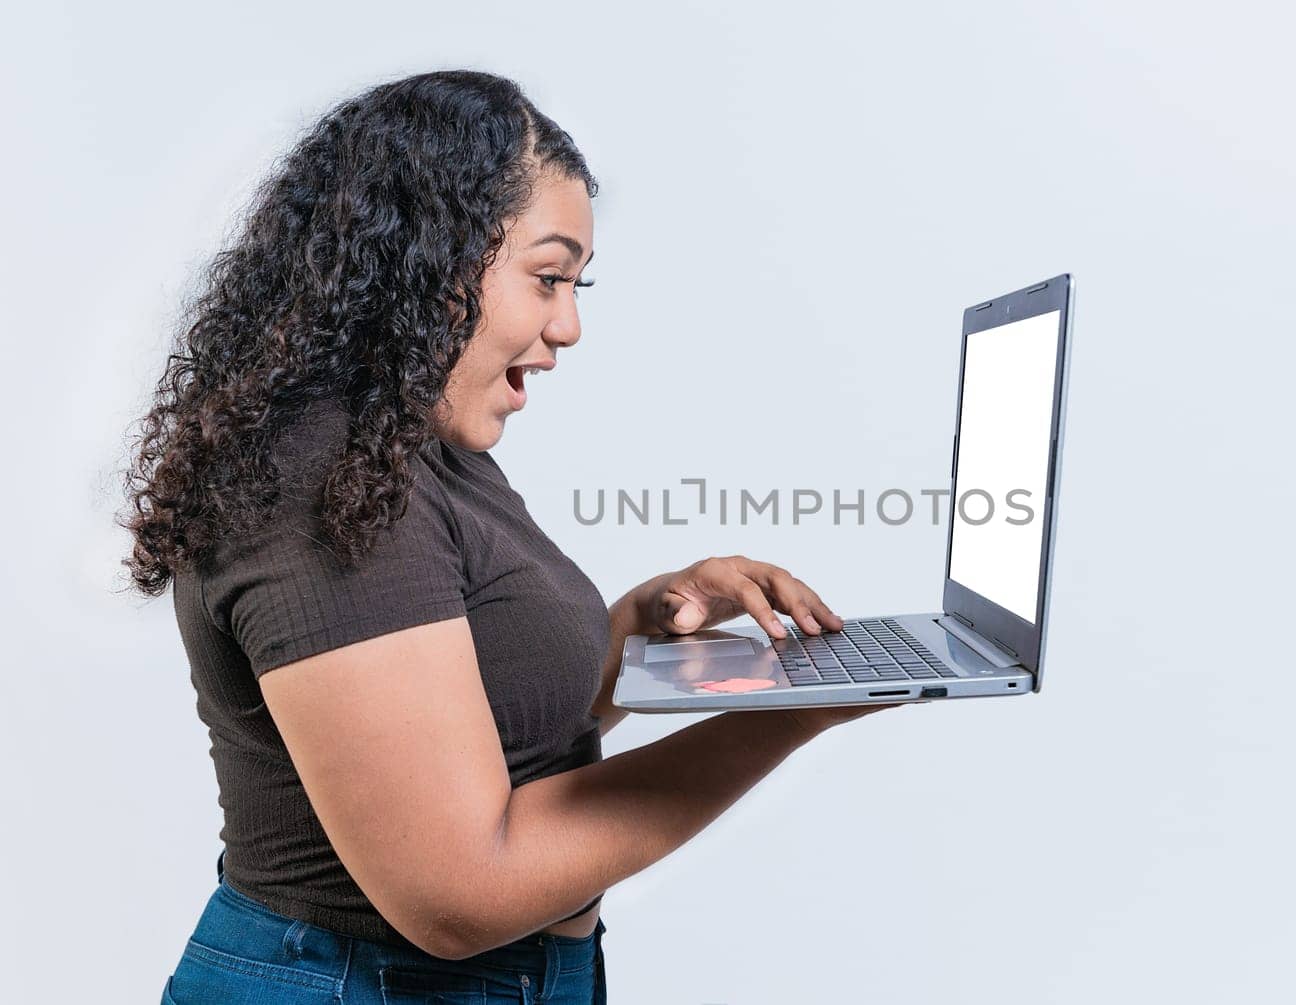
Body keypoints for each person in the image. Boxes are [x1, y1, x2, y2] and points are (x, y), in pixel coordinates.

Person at [121, 69, 893, 1004]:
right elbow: (457, 893)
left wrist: (643, 622)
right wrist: (798, 712)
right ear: (428, 259)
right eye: (547, 277)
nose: (567, 324)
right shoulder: (325, 482)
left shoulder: (415, 446)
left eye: (576, 282)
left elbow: (482, 718)